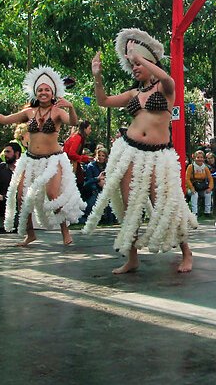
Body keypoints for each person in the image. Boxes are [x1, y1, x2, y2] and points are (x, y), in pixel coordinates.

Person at [84, 28, 197, 274]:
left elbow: (167, 79)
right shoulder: (134, 93)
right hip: (130, 152)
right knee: (128, 206)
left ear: (150, 61)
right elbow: (103, 101)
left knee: (164, 204)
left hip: (158, 155)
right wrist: (97, 76)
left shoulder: (166, 89)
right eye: (131, 64)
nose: (134, 68)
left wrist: (142, 57)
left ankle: (186, 253)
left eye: (137, 64)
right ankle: (132, 257)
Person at [0, 66, 84, 246]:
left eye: (47, 90)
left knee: (52, 195)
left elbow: (73, 121)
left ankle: (65, 232)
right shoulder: (29, 113)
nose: (43, 93)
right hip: (30, 159)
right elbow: (5, 119)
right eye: (40, 90)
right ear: (36, 92)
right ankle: (30, 234)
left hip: (53, 159)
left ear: (53, 92)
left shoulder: (58, 111)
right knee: (21, 196)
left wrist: (71, 107)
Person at [82, 145, 112, 225]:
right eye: (99, 155)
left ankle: (108, 219)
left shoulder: (108, 166)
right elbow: (87, 183)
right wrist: (97, 179)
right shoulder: (90, 166)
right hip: (94, 191)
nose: (101, 157)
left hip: (106, 190)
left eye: (103, 155)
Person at [63, 120, 92, 188]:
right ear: (84, 129)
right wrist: (84, 158)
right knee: (78, 182)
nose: (90, 131)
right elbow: (71, 154)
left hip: (70, 162)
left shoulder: (77, 136)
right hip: (69, 163)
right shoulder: (78, 137)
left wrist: (86, 158)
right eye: (89, 128)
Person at [187, 150, 214, 217]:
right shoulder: (191, 167)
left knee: (208, 194)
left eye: (201, 157)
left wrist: (210, 188)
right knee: (194, 195)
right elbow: (187, 179)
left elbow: (210, 178)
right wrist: (192, 188)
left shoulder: (205, 167)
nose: (200, 159)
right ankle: (194, 213)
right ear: (195, 158)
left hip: (201, 187)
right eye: (198, 157)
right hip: (192, 186)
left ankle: (207, 212)